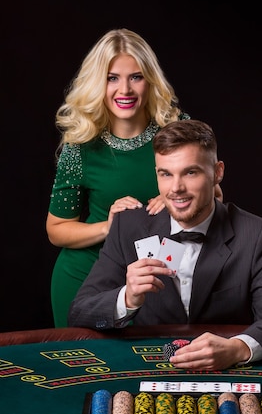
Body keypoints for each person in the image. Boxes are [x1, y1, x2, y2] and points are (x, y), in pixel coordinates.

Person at [68, 119, 262, 370]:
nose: (176, 189)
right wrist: (127, 297)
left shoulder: (256, 234)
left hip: (226, 375)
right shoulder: (128, 228)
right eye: (166, 174)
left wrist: (237, 348)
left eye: (190, 172)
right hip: (151, 373)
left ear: (218, 172)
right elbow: (80, 311)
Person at [46, 29, 222, 328]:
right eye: (112, 78)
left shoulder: (175, 128)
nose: (124, 89)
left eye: (136, 77)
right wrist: (107, 227)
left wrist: (174, 200)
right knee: (92, 372)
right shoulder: (80, 145)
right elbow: (56, 229)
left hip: (161, 274)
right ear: (96, 83)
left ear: (150, 81)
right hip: (88, 276)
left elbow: (216, 196)